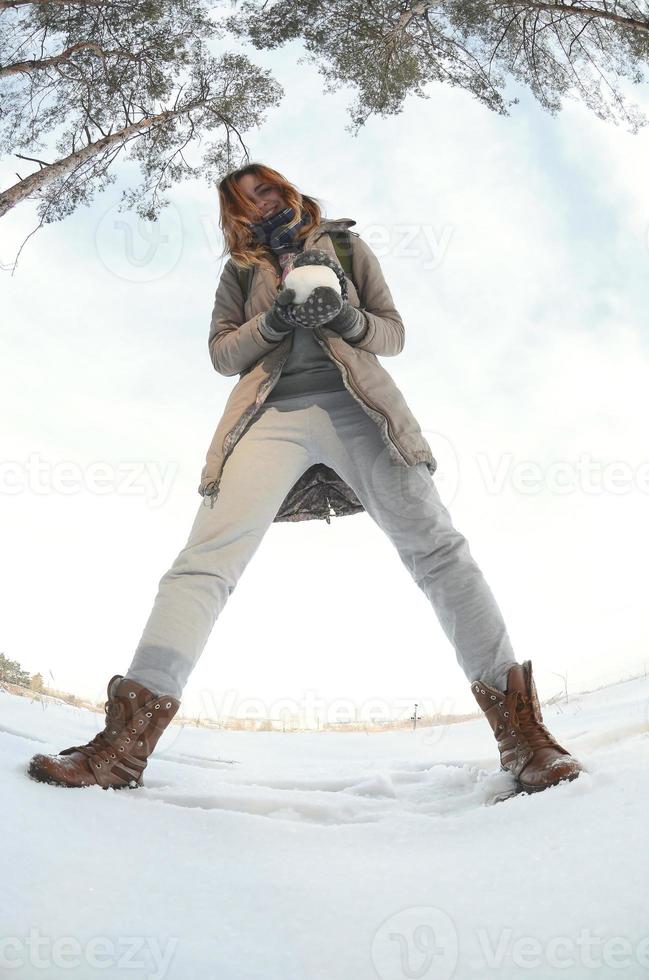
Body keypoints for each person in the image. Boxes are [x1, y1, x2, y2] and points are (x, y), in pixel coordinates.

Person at [28, 163, 584, 795]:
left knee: (439, 551)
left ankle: (525, 740)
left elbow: (392, 333)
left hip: (361, 409)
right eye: (241, 199)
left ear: (285, 187)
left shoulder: (345, 245)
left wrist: (342, 316)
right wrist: (276, 322)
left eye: (262, 187)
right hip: (268, 417)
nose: (256, 202)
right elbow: (221, 354)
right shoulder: (240, 271)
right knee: (203, 562)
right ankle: (120, 752)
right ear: (232, 215)